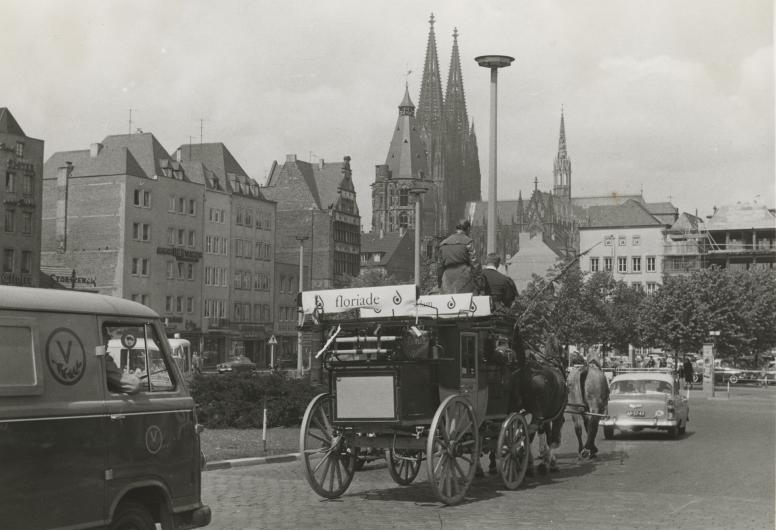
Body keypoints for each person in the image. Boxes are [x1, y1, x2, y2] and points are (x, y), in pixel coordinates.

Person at [437, 218, 481, 294]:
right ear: (468, 229)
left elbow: (440, 266)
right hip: (465, 276)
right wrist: (478, 282)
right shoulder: (468, 242)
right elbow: (475, 264)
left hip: (447, 278)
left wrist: (440, 283)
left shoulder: (443, 243)